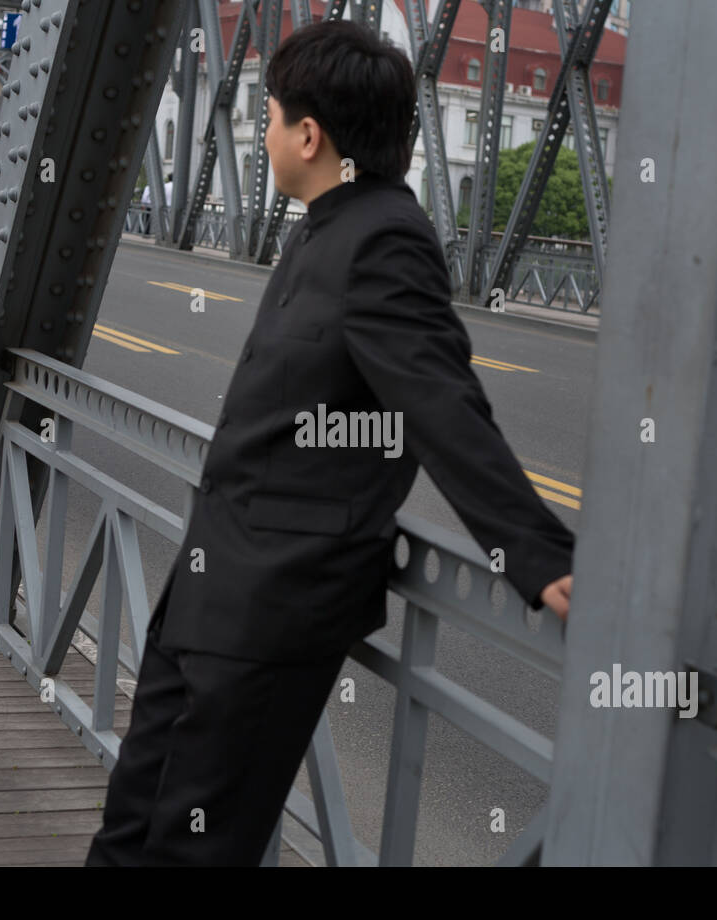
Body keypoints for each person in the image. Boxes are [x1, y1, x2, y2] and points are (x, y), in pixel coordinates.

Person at [87, 20, 575, 866]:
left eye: (271, 115)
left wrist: (537, 554)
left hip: (271, 611)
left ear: (308, 135)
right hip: (211, 597)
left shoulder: (382, 238)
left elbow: (442, 406)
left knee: (189, 848)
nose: (266, 131)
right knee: (133, 821)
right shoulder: (324, 223)